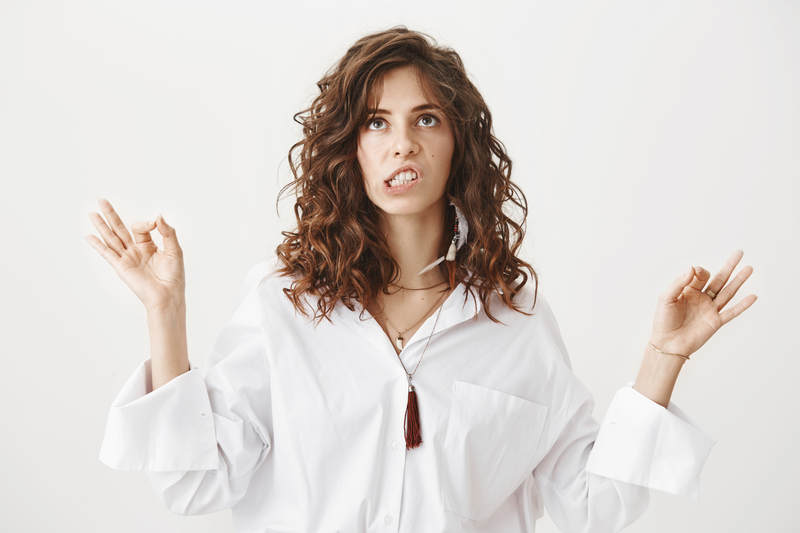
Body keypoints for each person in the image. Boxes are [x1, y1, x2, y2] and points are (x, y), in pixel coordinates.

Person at [86, 27, 757, 532]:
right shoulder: (283, 302)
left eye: (425, 119)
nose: (402, 143)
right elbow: (196, 483)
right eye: (377, 122)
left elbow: (591, 503)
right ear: (352, 148)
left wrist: (663, 356)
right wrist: (165, 311)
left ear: (457, 144)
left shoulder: (515, 317)